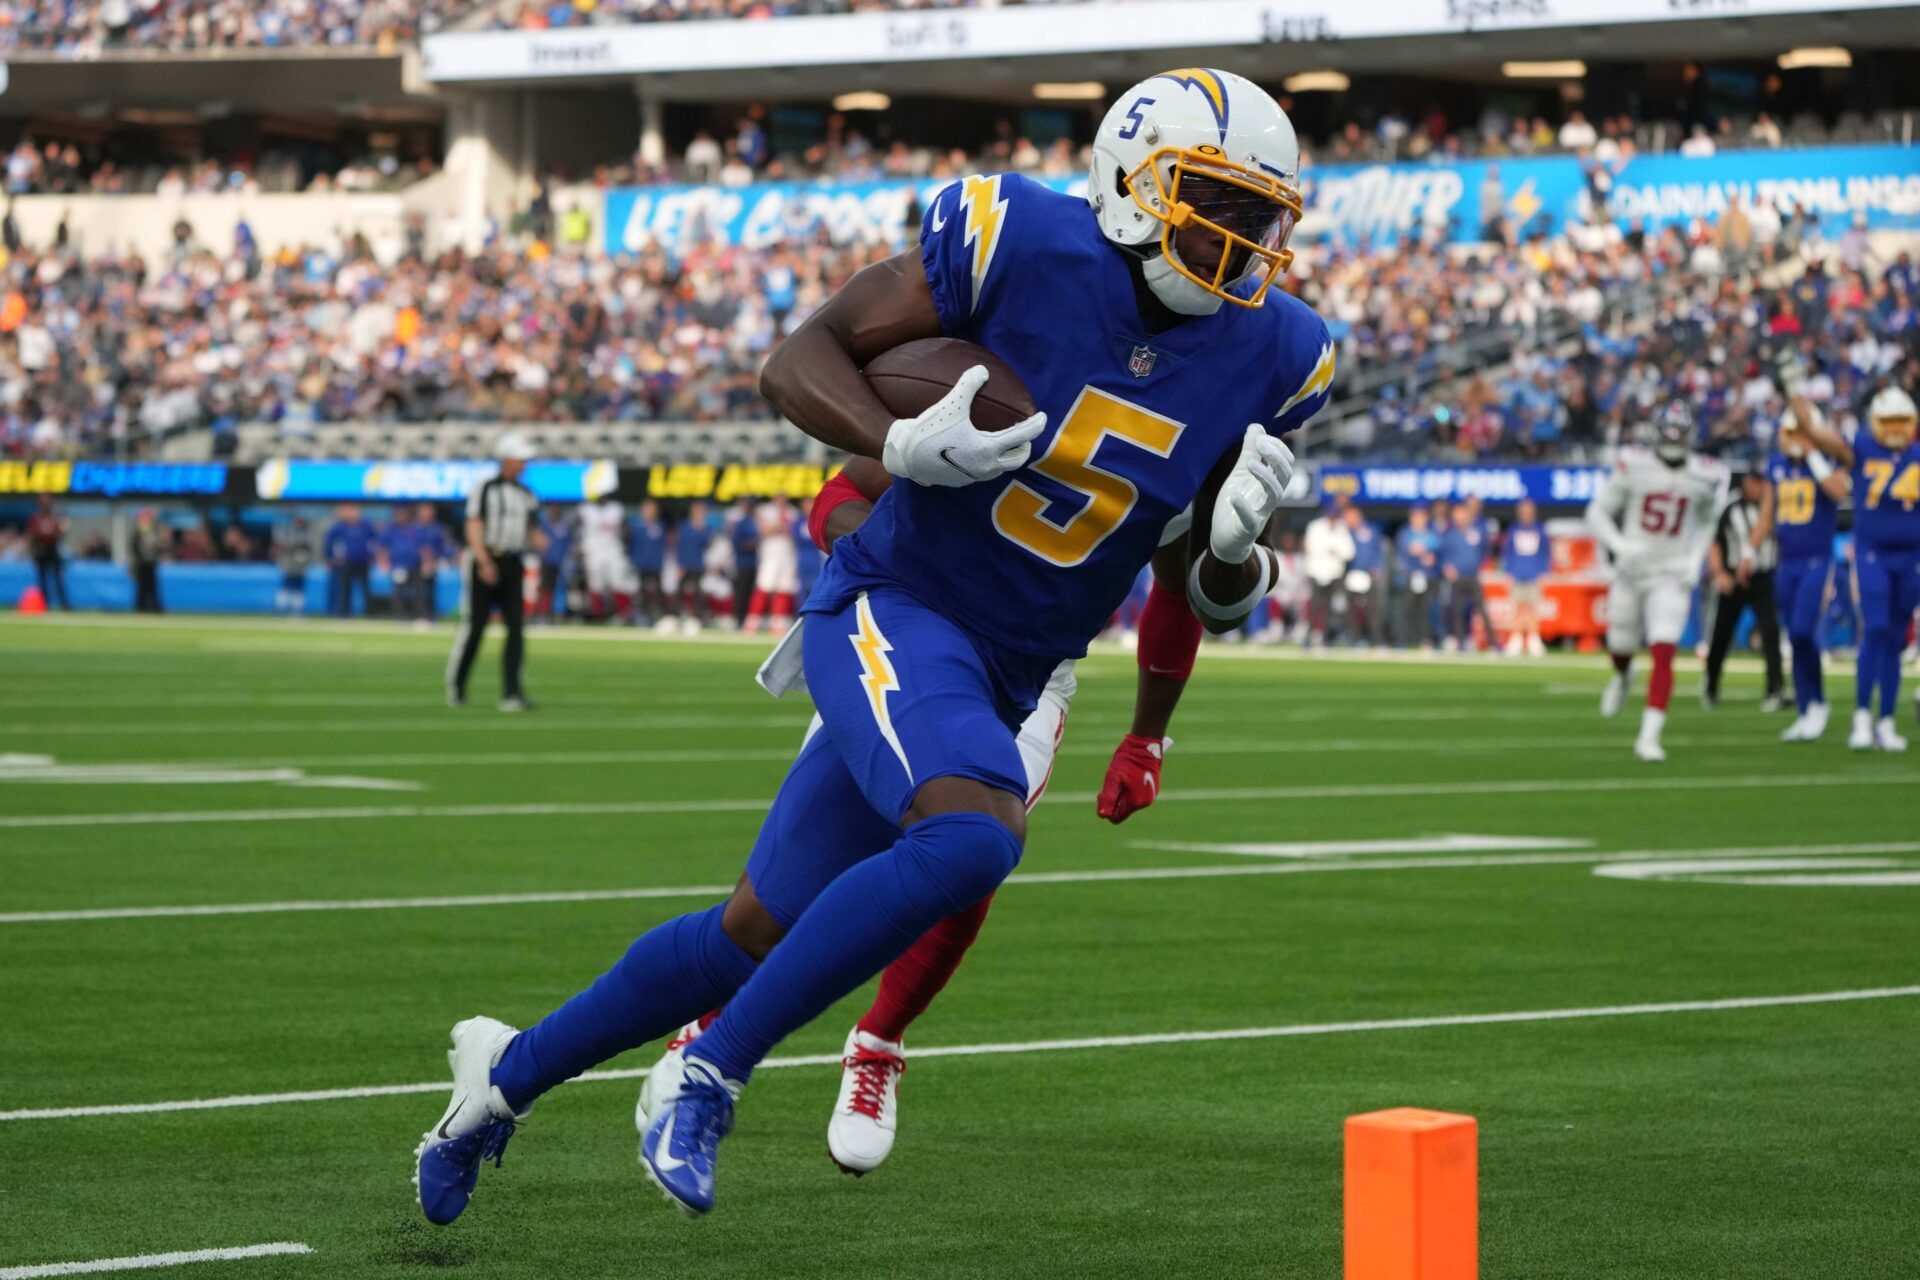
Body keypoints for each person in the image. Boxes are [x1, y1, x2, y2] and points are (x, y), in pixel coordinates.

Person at [414, 69, 1331, 1223]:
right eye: (1217, 199)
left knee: (746, 930)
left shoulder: (1280, 352)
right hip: (897, 603)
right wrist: (896, 442)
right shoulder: (1023, 242)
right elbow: (800, 357)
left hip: (1015, 661)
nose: (1243, 238)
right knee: (974, 831)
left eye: (1260, 212)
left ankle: (499, 1077)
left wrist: (1239, 547)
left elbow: (1201, 581)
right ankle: (705, 1071)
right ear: (1131, 184)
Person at [636, 454, 1212, 1173]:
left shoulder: (1201, 412)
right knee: (804, 872)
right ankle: (711, 1023)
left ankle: (878, 1041)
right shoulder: (1016, 370)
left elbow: (1187, 582)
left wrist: (1148, 735)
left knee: (970, 858)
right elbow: (841, 493)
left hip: (1027, 681)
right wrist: (887, 551)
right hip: (902, 640)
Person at [1785, 367, 1920, 752]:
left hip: (1911, 557)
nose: (1894, 430)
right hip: (1874, 553)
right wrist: (1793, 388)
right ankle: (1863, 716)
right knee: (1875, 630)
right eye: (1888, 422)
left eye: (1901, 422)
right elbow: (1813, 430)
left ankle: (1887, 720)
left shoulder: (1916, 454)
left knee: (1894, 639)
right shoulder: (1862, 446)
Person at [1587, 404, 1730, 762]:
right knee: (1619, 643)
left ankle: (1649, 737)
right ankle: (1623, 674)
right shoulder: (1633, 465)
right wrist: (1620, 546)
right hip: (1633, 569)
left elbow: (1709, 521)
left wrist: (1694, 560)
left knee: (1663, 650)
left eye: (1679, 434)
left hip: (1670, 572)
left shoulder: (1706, 474)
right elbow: (1597, 511)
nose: (1673, 441)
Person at [1768, 387, 1849, 742]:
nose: (1795, 440)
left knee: (1803, 631)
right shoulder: (1777, 466)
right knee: (1794, 637)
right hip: (1787, 562)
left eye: (1801, 432)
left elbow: (1837, 492)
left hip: (1817, 560)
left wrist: (1815, 454)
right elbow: (1768, 514)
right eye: (1791, 433)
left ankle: (1818, 703)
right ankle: (1805, 708)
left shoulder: (1826, 464)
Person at [445, 435, 544, 711]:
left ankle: (512, 692)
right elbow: (474, 524)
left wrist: (539, 540)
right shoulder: (485, 488)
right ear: (506, 459)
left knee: (515, 627)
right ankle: (458, 685)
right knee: (476, 625)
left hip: (513, 562)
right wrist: (483, 560)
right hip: (487, 558)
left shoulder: (526, 494)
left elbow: (532, 530)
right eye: (520, 460)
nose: (524, 465)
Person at [1702, 466, 1784, 710]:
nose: (1755, 486)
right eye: (1753, 481)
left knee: (1770, 633)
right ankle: (1711, 686)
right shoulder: (1730, 508)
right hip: (1733, 581)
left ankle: (1775, 689)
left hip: (1761, 578)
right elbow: (1714, 543)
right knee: (1721, 636)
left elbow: (1770, 531)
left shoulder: (1770, 508)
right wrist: (1719, 574)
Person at [1501, 498, 1551, 656]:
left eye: (1528, 511)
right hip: (1517, 574)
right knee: (1517, 608)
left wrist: (1543, 573)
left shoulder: (1540, 531)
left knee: (1532, 609)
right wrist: (1508, 573)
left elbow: (1545, 554)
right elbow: (1508, 553)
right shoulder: (1513, 530)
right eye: (1523, 512)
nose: (1526, 514)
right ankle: (1515, 639)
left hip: (1534, 575)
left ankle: (1534, 640)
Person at [1438, 502, 1490, 652]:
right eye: (1457, 514)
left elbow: (1484, 551)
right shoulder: (1450, 534)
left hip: (1473, 577)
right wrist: (1446, 567)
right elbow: (1442, 555)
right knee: (1457, 611)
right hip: (1457, 579)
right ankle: (1460, 641)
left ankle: (1493, 643)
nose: (1459, 517)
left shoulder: (1477, 532)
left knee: (1481, 610)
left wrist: (1480, 566)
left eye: (1462, 514)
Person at [744, 496, 798, 635]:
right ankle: (752, 620)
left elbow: (795, 532)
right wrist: (779, 525)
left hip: (787, 552)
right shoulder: (766, 510)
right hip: (771, 552)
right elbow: (763, 531)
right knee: (764, 586)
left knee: (784, 587)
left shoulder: (792, 512)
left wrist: (782, 527)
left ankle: (778, 621)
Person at [1302, 500, 1353, 648]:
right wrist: (1331, 549)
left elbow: (1349, 551)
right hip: (1317, 572)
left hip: (1334, 573)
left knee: (1330, 607)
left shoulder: (1342, 528)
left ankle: (1324, 638)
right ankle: (1308, 638)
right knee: (1315, 606)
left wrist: (1334, 550)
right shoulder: (1315, 527)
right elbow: (1313, 547)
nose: (1333, 519)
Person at [577, 496, 630, 622]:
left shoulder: (616, 508)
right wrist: (579, 544)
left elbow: (626, 529)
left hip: (613, 550)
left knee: (619, 582)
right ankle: (597, 615)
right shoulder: (586, 509)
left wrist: (624, 538)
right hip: (594, 551)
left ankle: (623, 614)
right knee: (596, 584)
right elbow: (575, 527)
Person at [1394, 505, 1439, 649]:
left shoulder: (1432, 534)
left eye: (1421, 516)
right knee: (1407, 609)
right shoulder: (1405, 533)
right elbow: (1404, 552)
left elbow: (1437, 551)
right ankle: (1402, 640)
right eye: (1416, 516)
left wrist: (1430, 557)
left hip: (1427, 576)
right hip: (1410, 576)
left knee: (1425, 610)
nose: (1419, 519)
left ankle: (1424, 639)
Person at [1342, 503, 1385, 647]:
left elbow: (1377, 552)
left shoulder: (1370, 531)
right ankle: (1354, 638)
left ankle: (1376, 639)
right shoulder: (1343, 532)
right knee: (1351, 610)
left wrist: (1377, 567)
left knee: (1372, 609)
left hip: (1368, 574)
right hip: (1350, 574)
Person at [381, 505, 431, 626]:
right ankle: (399, 617)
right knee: (398, 593)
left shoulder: (416, 528)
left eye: (402, 514)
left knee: (418, 593)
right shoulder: (390, 529)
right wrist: (384, 562)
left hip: (414, 565)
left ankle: (420, 617)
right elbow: (384, 548)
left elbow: (424, 548)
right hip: (398, 565)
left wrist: (426, 562)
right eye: (398, 514)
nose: (400, 517)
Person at [324, 503, 374, 617]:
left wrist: (371, 556)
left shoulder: (366, 526)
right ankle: (344, 612)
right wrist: (330, 557)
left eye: (353, 510)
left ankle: (369, 612)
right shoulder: (339, 528)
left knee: (366, 588)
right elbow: (330, 544)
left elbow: (374, 542)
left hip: (363, 562)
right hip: (346, 563)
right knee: (345, 589)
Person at [673, 500, 713, 630]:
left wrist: (700, 528)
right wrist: (680, 564)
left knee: (698, 593)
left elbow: (706, 543)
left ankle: (697, 617)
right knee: (679, 591)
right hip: (684, 563)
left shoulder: (706, 528)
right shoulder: (684, 527)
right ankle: (677, 616)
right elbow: (680, 547)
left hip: (698, 564)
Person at [628, 499, 669, 626]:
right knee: (640, 593)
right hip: (640, 564)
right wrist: (633, 561)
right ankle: (641, 616)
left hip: (655, 564)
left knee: (657, 593)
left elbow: (663, 546)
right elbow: (632, 546)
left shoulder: (660, 526)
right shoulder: (636, 526)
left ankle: (659, 616)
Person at [25, 495, 69, 611]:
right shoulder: (35, 518)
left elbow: (61, 533)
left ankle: (64, 605)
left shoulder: (56, 517)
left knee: (58, 579)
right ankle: (44, 604)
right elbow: (31, 534)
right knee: (42, 580)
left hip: (53, 551)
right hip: (41, 551)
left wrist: (50, 533)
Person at [536, 506, 575, 622]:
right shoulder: (544, 526)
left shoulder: (564, 527)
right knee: (546, 588)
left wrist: (569, 559)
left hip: (561, 562)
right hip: (548, 561)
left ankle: (559, 613)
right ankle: (543, 612)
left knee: (561, 588)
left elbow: (569, 544)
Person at [728, 500, 761, 630]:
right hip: (743, 562)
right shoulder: (741, 523)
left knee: (750, 592)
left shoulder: (755, 522)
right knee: (741, 591)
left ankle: (746, 618)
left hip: (754, 562)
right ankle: (738, 619)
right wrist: (750, 544)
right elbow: (736, 543)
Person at [130, 508, 167, 614]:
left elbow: (159, 547)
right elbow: (134, 546)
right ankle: (142, 607)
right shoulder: (141, 531)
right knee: (143, 587)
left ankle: (153, 607)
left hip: (151, 562)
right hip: (143, 562)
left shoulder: (154, 530)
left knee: (151, 586)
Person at [275, 517, 314, 615]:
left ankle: (297, 610)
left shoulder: (307, 534)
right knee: (286, 586)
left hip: (301, 565)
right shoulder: (289, 533)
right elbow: (283, 546)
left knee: (299, 588)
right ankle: (280, 609)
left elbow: (310, 549)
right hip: (290, 564)